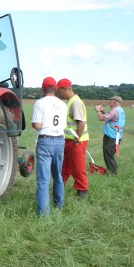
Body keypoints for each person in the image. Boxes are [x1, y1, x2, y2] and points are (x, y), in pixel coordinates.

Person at [31, 77, 67, 216]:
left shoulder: (40, 103)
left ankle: (44, 213)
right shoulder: (62, 104)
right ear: (56, 88)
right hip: (59, 140)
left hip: (45, 141)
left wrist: (34, 123)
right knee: (57, 174)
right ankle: (59, 204)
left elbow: (37, 125)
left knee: (43, 179)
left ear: (43, 89)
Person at [56, 78, 89, 197]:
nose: (58, 94)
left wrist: (77, 138)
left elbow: (81, 123)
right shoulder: (71, 101)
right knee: (65, 167)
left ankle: (82, 191)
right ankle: (59, 187)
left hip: (76, 141)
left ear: (65, 89)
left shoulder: (75, 102)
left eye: (59, 91)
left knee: (77, 168)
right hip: (69, 141)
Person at [95, 96, 125, 175]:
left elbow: (101, 118)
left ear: (114, 102)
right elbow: (109, 117)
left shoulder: (114, 111)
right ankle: (113, 169)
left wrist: (98, 110)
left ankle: (112, 173)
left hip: (111, 136)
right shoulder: (120, 110)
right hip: (117, 136)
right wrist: (103, 111)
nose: (109, 103)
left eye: (110, 101)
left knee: (108, 154)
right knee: (110, 154)